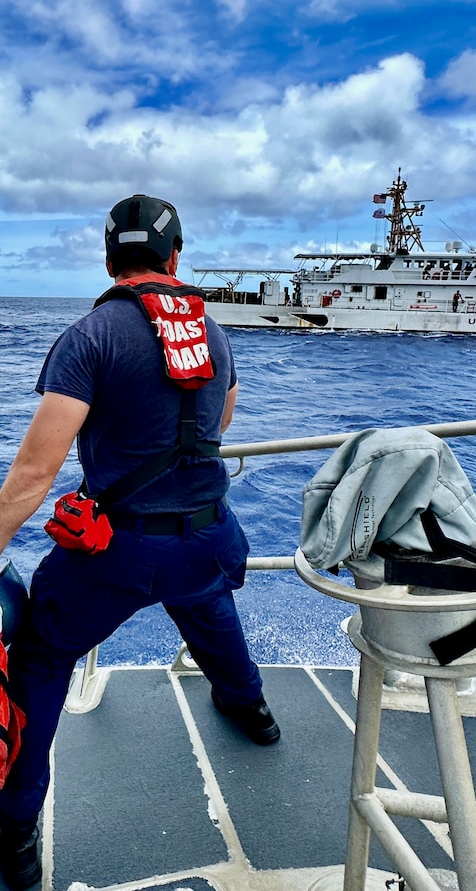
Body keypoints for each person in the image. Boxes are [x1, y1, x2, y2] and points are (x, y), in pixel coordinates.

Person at [0, 194, 278, 889]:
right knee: (208, 604)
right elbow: (219, 423)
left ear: (107, 258)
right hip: (210, 533)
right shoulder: (212, 332)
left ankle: (13, 835)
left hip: (119, 552)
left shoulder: (90, 336)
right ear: (175, 258)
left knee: (41, 656)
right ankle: (252, 709)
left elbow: (35, 474)